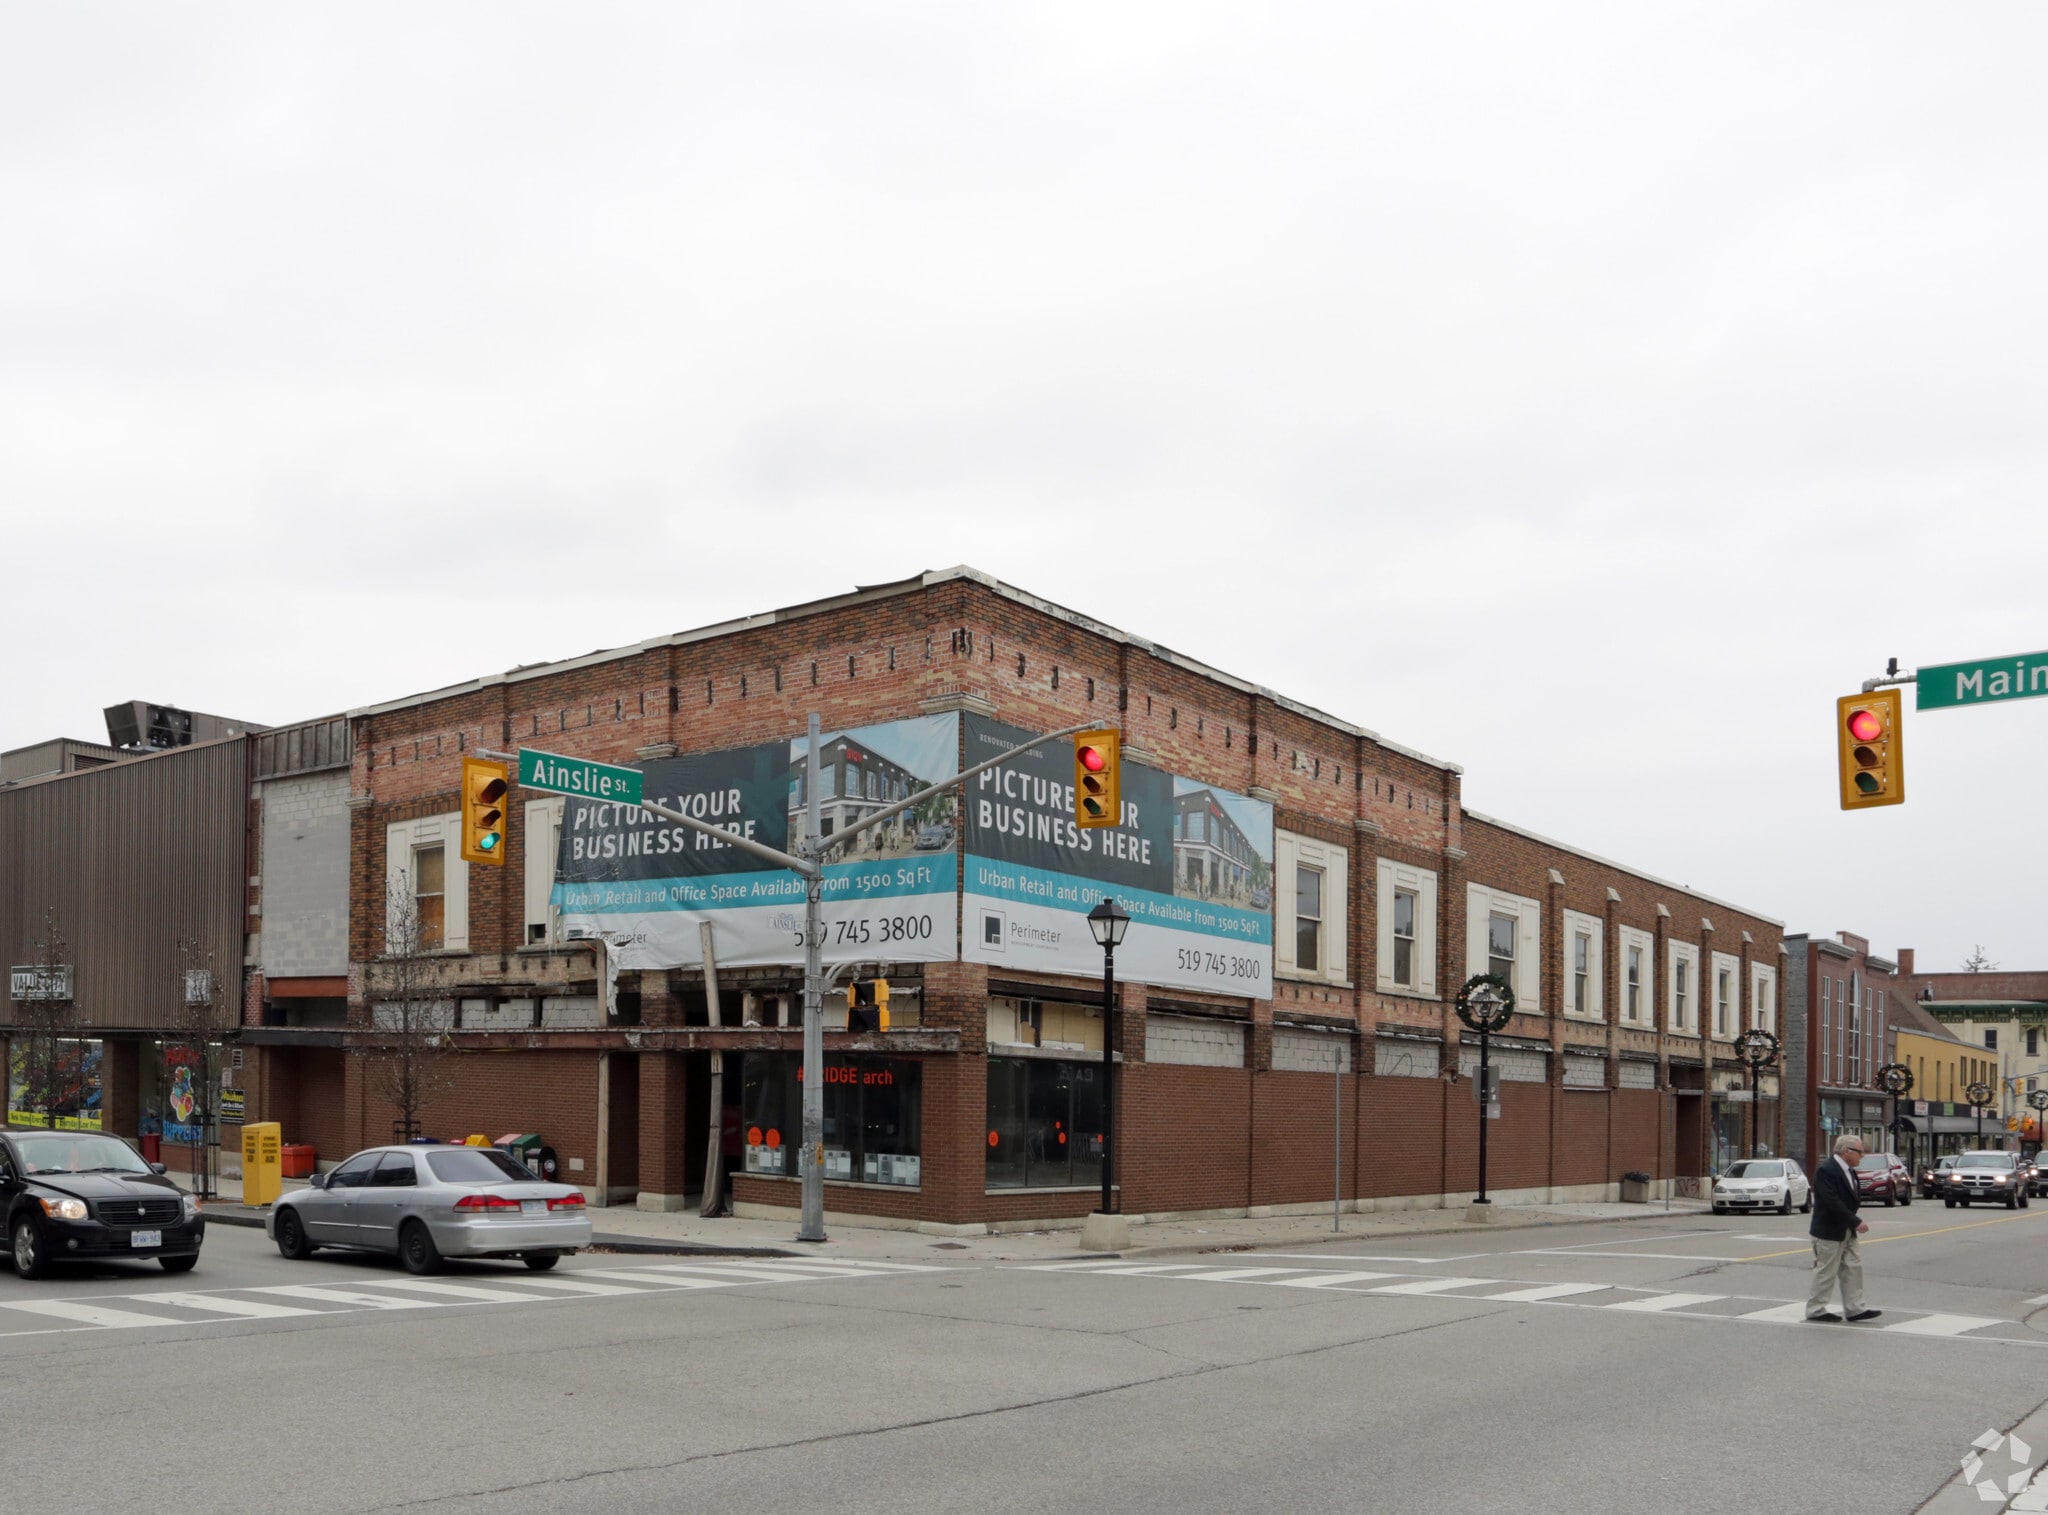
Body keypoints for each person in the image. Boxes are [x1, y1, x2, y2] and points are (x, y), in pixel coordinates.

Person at [1807, 1133, 1881, 1322]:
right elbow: (1831, 1201)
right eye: (1860, 1152)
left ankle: (1855, 1309)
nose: (1862, 1156)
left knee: (1853, 1268)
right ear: (1847, 1151)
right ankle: (1816, 1310)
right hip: (1829, 1230)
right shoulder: (1826, 1169)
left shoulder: (1849, 1170)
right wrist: (1855, 1221)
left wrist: (1851, 1224)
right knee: (1826, 1271)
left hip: (1847, 1230)